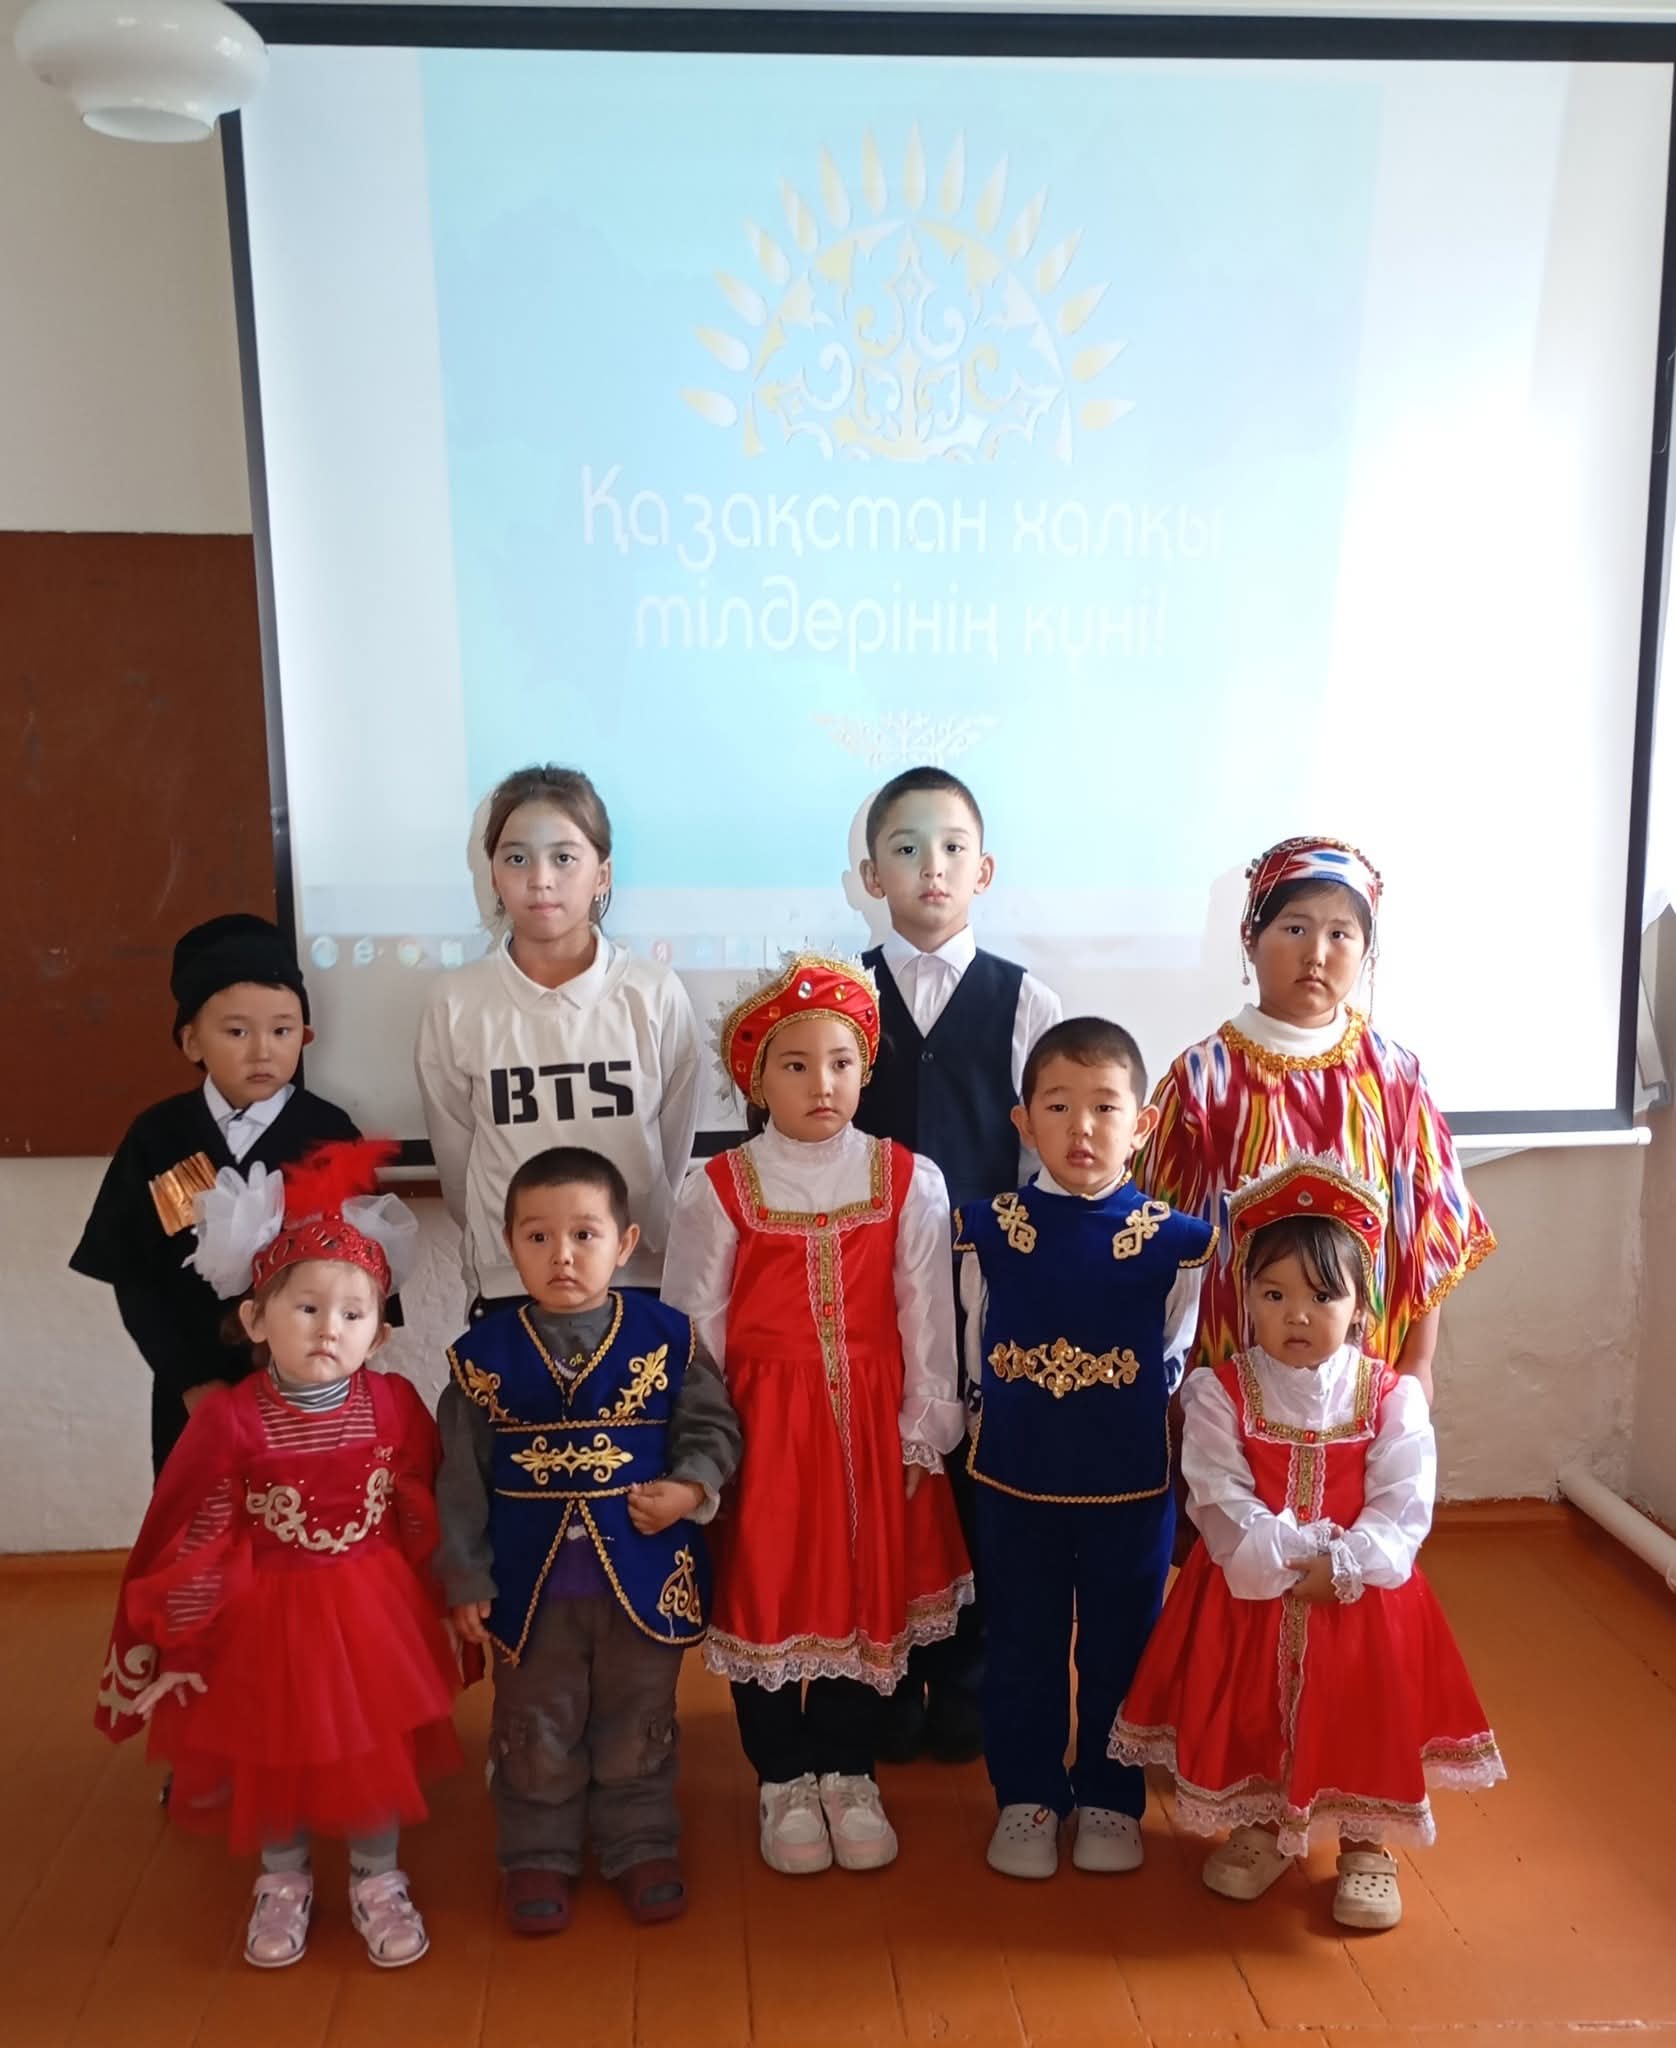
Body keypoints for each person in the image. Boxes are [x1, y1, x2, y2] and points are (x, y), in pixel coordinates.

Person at [1110, 1153, 1505, 1931]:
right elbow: (1218, 1494)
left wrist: (1347, 1565)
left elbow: (1402, 1503)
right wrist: (1283, 1560)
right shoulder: (1220, 1393)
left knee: (1364, 1710)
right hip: (1250, 1593)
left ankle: (1365, 1843)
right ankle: (1261, 1825)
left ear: (1360, 1308)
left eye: (1322, 1296)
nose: (1297, 1315)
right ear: (1247, 1299)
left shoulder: (1390, 1399)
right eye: (1275, 1294)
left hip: (1362, 1606)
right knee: (1253, 1705)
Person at [93, 1141, 457, 1970]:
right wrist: (189, 1632)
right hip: (266, 1617)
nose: (330, 1328)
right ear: (256, 1320)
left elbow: (420, 1503)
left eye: (354, 1314)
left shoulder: (395, 1405)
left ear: (381, 1332)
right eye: (307, 1308)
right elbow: (196, 1530)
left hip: (373, 1616)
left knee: (370, 1745)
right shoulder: (230, 1421)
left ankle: (377, 1876)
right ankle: (283, 1878)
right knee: (273, 1745)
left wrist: (442, 1596)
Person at [662, 955, 972, 1875]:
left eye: (840, 1062)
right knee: (766, 1587)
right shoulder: (719, 1186)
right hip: (764, 1431)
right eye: (795, 1065)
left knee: (863, 1593)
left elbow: (928, 1316)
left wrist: (923, 1428)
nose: (822, 1083)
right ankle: (781, 1775)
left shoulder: (908, 1178)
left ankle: (848, 1769)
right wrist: (707, 1445)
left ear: (865, 1068)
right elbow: (695, 1329)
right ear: (756, 1080)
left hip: (874, 1428)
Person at [437, 1146, 740, 1934]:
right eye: (537, 1237)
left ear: (626, 1242)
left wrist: (691, 1488)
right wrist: (465, 1577)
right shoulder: (481, 1360)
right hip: (528, 1588)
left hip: (643, 1576)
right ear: (509, 1245)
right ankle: (537, 1852)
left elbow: (712, 1428)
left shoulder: (670, 1338)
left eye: (584, 1234)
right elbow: (460, 1481)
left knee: (639, 1718)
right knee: (535, 1722)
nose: (562, 1255)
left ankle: (640, 1841)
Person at [956, 1017, 1214, 1879]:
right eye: (1058, 1105)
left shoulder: (1179, 1242)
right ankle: (1026, 1795)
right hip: (1013, 1479)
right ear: (1023, 1121)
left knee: (1122, 1644)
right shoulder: (987, 1229)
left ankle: (1111, 1794)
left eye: (1106, 1106)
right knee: (1020, 1642)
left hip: (1129, 1484)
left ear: (1142, 1123)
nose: (1082, 1128)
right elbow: (971, 1346)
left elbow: (1174, 1353)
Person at [852, 765, 1062, 1763]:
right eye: (904, 848)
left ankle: (969, 1681)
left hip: (985, 1296)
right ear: (870, 875)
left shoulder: (1027, 1001)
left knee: (978, 1489)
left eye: (950, 847)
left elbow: (1045, 1160)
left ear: (983, 870)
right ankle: (886, 1676)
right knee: (886, 1481)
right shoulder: (840, 995)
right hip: (865, 1294)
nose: (929, 866)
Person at [1142, 836, 1494, 1400]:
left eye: (1340, 934)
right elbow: (1151, 1234)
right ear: (1250, 937)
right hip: (1225, 1379)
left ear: (1366, 950)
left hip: (1363, 1382)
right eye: (1295, 928)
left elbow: (1425, 1230)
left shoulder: (1394, 1077)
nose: (1317, 954)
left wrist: (1419, 1362)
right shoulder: (1202, 1078)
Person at [70, 913, 363, 1474]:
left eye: (282, 1031)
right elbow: (136, 1276)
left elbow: (361, 1274)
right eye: (237, 1032)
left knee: (310, 1507)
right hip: (193, 1395)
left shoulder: (329, 1134)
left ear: (305, 1035)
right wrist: (189, 1380)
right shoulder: (159, 1137)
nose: (262, 1051)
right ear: (191, 1041)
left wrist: (335, 1367)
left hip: (312, 1389)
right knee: (198, 1510)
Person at [416, 764, 702, 1313]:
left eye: (564, 858)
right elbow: (457, 1162)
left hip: (636, 1275)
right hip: (510, 1284)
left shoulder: (654, 994)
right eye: (516, 858)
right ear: (493, 875)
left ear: (603, 874)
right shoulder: (456, 1002)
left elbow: (670, 1152)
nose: (540, 879)